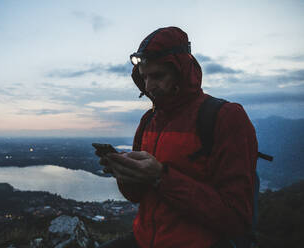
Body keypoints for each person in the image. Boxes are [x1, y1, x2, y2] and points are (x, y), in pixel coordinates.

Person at [98, 27, 258, 248]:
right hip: (145, 239)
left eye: (157, 76)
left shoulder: (225, 117)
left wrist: (160, 177)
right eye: (144, 77)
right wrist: (126, 175)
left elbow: (237, 217)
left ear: (181, 71)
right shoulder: (148, 121)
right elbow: (137, 196)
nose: (148, 87)